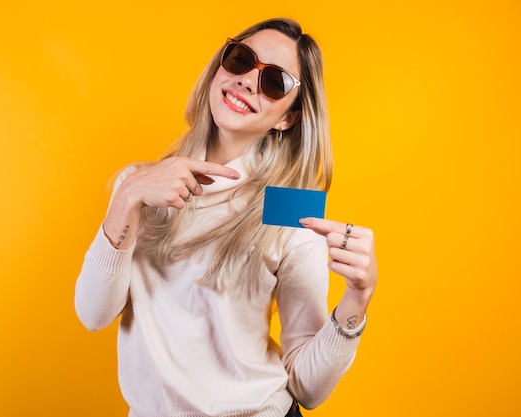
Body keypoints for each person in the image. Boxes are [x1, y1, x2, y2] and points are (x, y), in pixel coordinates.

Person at [75, 17, 377, 417]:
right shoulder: (141, 186)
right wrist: (128, 196)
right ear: (221, 65)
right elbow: (94, 315)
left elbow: (308, 389)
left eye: (275, 82)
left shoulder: (289, 210)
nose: (250, 81)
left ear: (288, 117)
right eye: (241, 59)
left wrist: (358, 297)